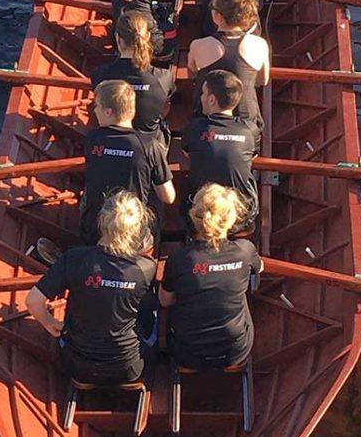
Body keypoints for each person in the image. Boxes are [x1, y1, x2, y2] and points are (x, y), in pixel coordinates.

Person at [26, 190, 157, 385]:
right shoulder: (146, 267)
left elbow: (33, 301)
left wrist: (49, 323)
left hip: (77, 366)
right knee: (155, 307)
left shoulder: (74, 257)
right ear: (138, 229)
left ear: (102, 221)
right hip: (129, 368)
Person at [159, 183, 263, 370]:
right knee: (241, 290)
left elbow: (165, 301)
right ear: (231, 220)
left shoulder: (178, 259)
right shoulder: (246, 251)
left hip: (187, 354)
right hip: (235, 351)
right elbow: (259, 267)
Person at [80, 80, 175, 244]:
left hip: (94, 232)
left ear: (108, 112)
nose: (94, 111)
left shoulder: (92, 140)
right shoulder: (150, 146)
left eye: (97, 106)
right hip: (130, 235)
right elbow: (169, 197)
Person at [187, 0, 270, 135]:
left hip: (207, 120)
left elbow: (192, 73)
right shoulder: (260, 45)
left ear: (218, 16)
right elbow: (263, 81)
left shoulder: (198, 45)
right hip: (246, 122)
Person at [181, 70, 259, 228]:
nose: (201, 98)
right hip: (241, 215)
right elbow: (253, 156)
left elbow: (187, 153)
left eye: (203, 93)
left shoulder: (194, 128)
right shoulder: (250, 130)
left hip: (202, 212)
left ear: (211, 99)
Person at [91, 11, 175, 142]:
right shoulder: (164, 77)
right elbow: (165, 107)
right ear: (147, 37)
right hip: (150, 145)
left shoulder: (99, 75)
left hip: (113, 141)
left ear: (118, 38)